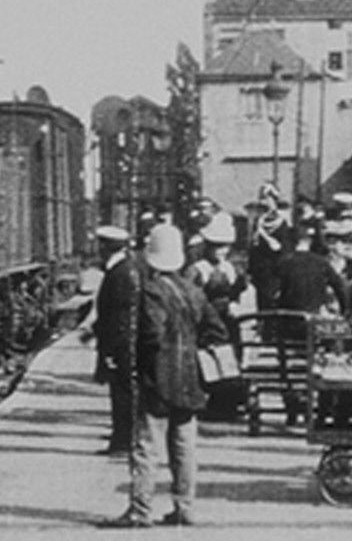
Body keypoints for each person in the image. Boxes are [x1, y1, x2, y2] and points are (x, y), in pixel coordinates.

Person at [100, 224, 228, 528]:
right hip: (189, 381)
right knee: (184, 448)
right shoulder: (193, 291)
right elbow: (217, 331)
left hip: (157, 379)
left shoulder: (151, 291)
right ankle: (185, 508)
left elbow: (152, 335)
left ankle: (140, 510)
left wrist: (136, 363)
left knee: (146, 447)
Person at [183, 212, 247, 419]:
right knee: (206, 359)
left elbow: (239, 289)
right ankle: (208, 400)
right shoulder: (197, 270)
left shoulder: (231, 268)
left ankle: (227, 402)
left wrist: (235, 303)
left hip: (228, 319)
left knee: (229, 357)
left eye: (225, 247)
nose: (221, 252)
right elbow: (190, 296)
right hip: (205, 319)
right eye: (216, 246)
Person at [90, 225, 137, 455]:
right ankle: (122, 437)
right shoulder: (122, 269)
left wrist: (110, 349)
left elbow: (119, 316)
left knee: (121, 392)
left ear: (106, 248)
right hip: (121, 341)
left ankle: (122, 441)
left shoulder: (119, 273)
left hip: (120, 343)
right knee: (121, 391)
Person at [248, 184, 292, 311]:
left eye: (267, 198)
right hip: (260, 268)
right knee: (261, 300)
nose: (264, 202)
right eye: (262, 198)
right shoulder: (260, 220)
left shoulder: (281, 221)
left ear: (274, 200)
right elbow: (253, 246)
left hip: (275, 267)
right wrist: (250, 268)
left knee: (273, 300)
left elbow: (284, 247)